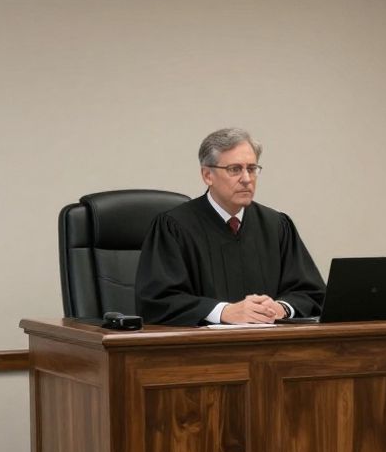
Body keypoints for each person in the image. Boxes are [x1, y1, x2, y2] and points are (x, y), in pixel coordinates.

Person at [135, 128, 325, 326]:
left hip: (271, 347)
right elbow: (157, 301)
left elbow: (312, 293)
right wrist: (224, 312)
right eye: (235, 169)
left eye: (251, 168)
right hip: (202, 351)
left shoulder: (277, 225)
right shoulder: (173, 227)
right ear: (208, 175)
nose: (246, 178)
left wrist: (281, 308)